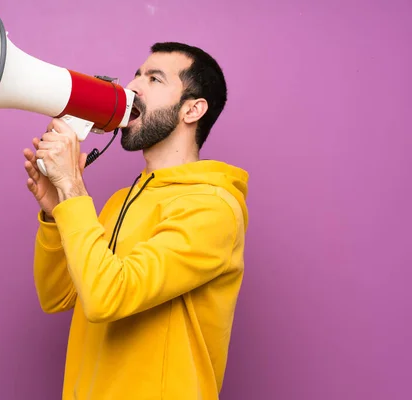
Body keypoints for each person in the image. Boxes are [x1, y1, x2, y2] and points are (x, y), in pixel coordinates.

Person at [23, 42, 249, 399]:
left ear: (192, 110)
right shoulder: (120, 201)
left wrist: (73, 189)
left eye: (154, 79)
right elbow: (57, 296)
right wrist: (56, 210)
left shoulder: (212, 209)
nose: (133, 87)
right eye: (137, 74)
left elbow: (106, 298)